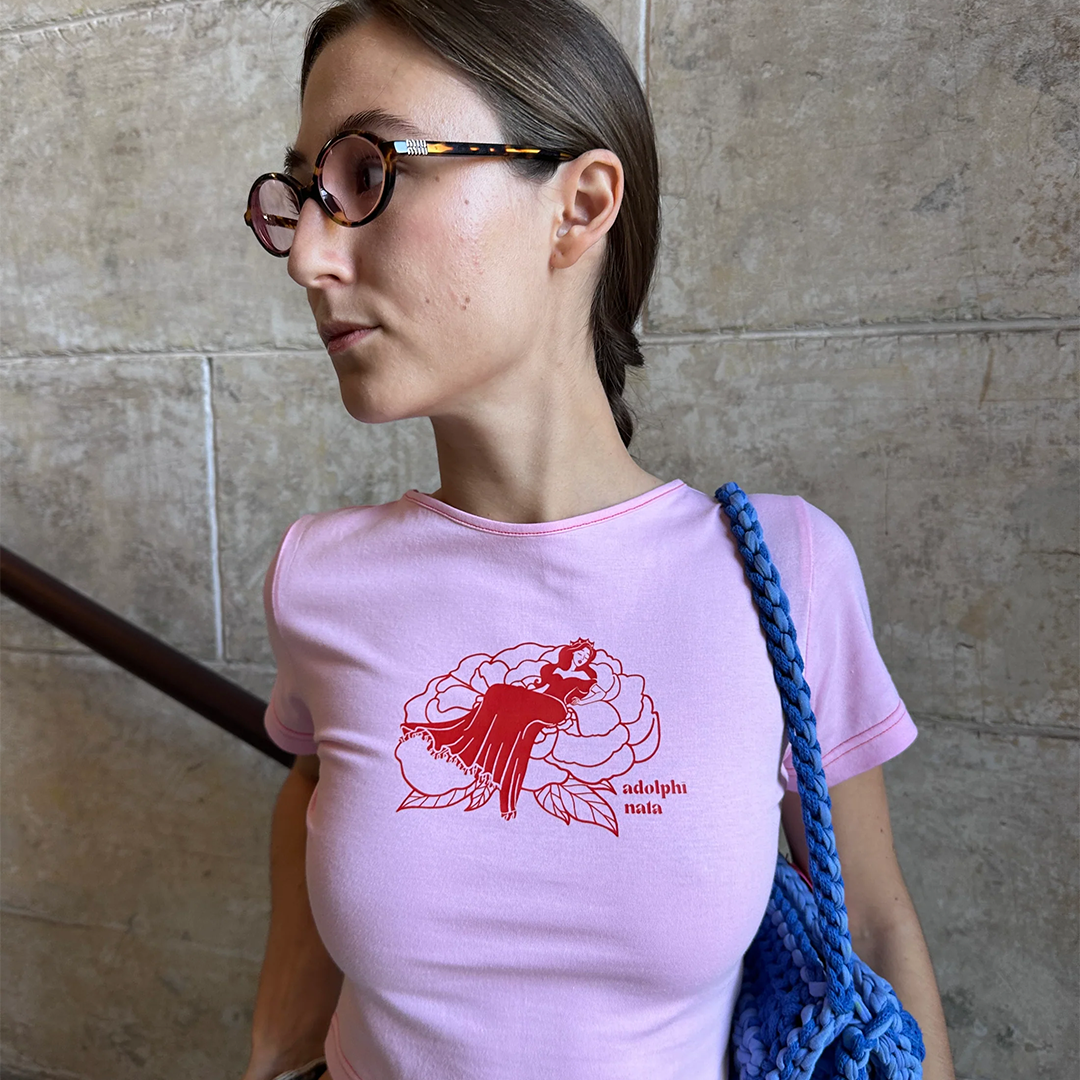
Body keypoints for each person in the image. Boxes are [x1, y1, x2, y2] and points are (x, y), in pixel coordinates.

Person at [238, 2, 956, 1078]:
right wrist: (267, 1053)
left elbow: (878, 930)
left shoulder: (783, 572)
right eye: (303, 197)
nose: (309, 257)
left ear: (578, 206)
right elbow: (313, 789)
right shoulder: (321, 579)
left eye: (368, 173)